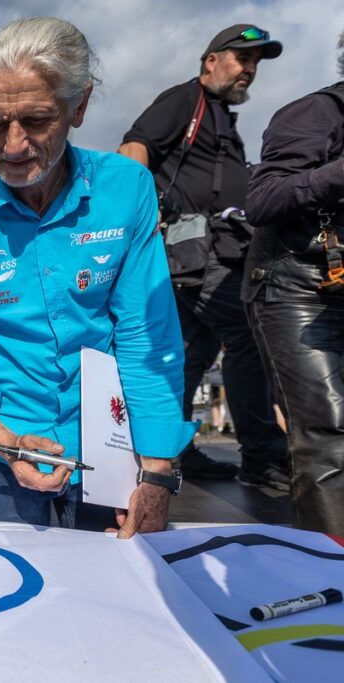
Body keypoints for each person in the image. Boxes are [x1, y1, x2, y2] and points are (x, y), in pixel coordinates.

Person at [0, 17, 196, 534]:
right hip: (1, 451)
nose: (13, 146)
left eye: (37, 120)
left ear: (78, 105)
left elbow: (146, 336)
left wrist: (157, 471)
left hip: (110, 445)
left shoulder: (126, 190)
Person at [117, 24, 289, 489]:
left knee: (191, 353)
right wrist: (134, 218)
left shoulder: (221, 116)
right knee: (248, 336)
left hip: (215, 252)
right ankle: (264, 459)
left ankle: (176, 452)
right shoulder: (184, 100)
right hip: (195, 253)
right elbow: (135, 146)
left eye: (255, 62)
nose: (249, 70)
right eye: (241, 58)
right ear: (211, 60)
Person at [243, 54, 344, 535]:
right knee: (328, 434)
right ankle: (333, 572)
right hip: (294, 285)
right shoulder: (318, 112)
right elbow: (262, 201)